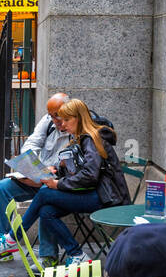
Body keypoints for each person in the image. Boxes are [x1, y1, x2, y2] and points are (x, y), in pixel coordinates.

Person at [10, 99, 128, 267]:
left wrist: (58, 184)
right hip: (93, 192)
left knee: (44, 193)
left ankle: (13, 238)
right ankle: (76, 254)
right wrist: (60, 169)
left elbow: (90, 175)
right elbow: (84, 170)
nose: (62, 125)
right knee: (46, 211)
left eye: (66, 120)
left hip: (106, 198)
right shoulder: (80, 138)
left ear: (78, 118)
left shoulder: (92, 138)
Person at [0, 91, 71, 259]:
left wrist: (50, 175)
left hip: (60, 184)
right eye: (52, 116)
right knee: (2, 188)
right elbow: (31, 144)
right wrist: (33, 167)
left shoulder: (77, 128)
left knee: (46, 198)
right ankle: (4, 245)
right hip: (41, 176)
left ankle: (48, 256)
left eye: (58, 116)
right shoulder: (48, 122)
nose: (55, 121)